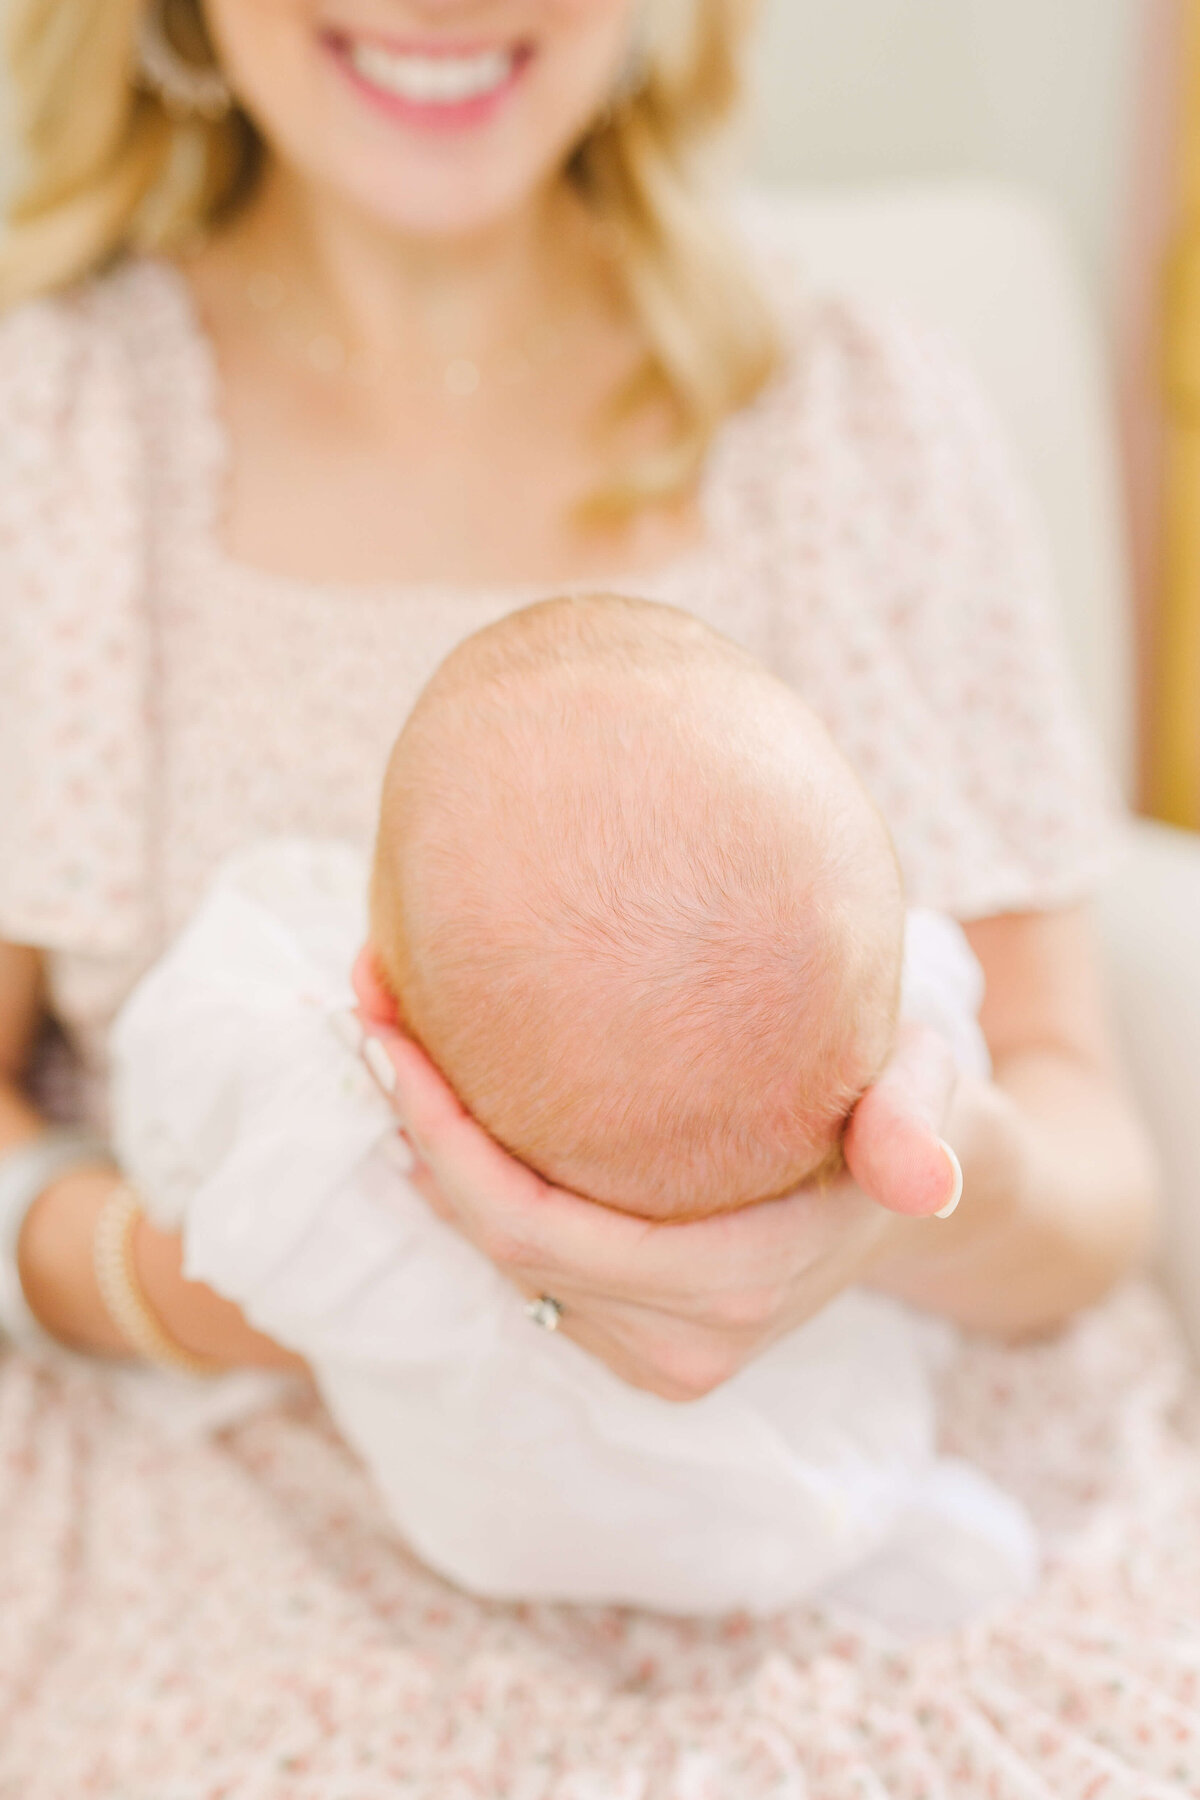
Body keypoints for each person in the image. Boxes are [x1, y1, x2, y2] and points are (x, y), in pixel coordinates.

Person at [0, 0, 1174, 1792]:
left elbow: (1091, 1170)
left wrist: (906, 1200)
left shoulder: (861, 416)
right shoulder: (56, 440)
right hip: (270, 1533)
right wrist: (185, 1288)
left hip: (899, 1502)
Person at [107, 595, 1037, 1630]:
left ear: (376, 1000)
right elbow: (937, 993)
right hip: (813, 1485)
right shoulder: (914, 1010)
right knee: (861, 1455)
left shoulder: (343, 1170)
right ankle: (887, 1533)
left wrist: (336, 1069)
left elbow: (178, 1118)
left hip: (483, 1537)